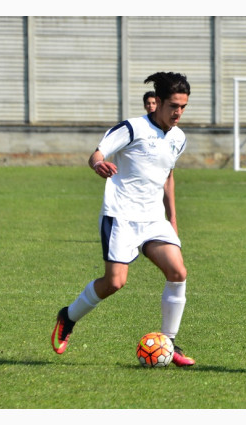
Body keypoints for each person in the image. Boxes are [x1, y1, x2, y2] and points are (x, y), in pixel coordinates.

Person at [52, 72, 195, 367]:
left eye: (183, 106)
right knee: (115, 282)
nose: (178, 112)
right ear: (158, 103)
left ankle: (169, 342)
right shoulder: (132, 128)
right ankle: (68, 316)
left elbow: (167, 176)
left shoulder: (178, 139)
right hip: (122, 216)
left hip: (153, 218)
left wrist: (173, 218)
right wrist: (98, 165)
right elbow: (97, 153)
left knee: (178, 272)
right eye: (174, 105)